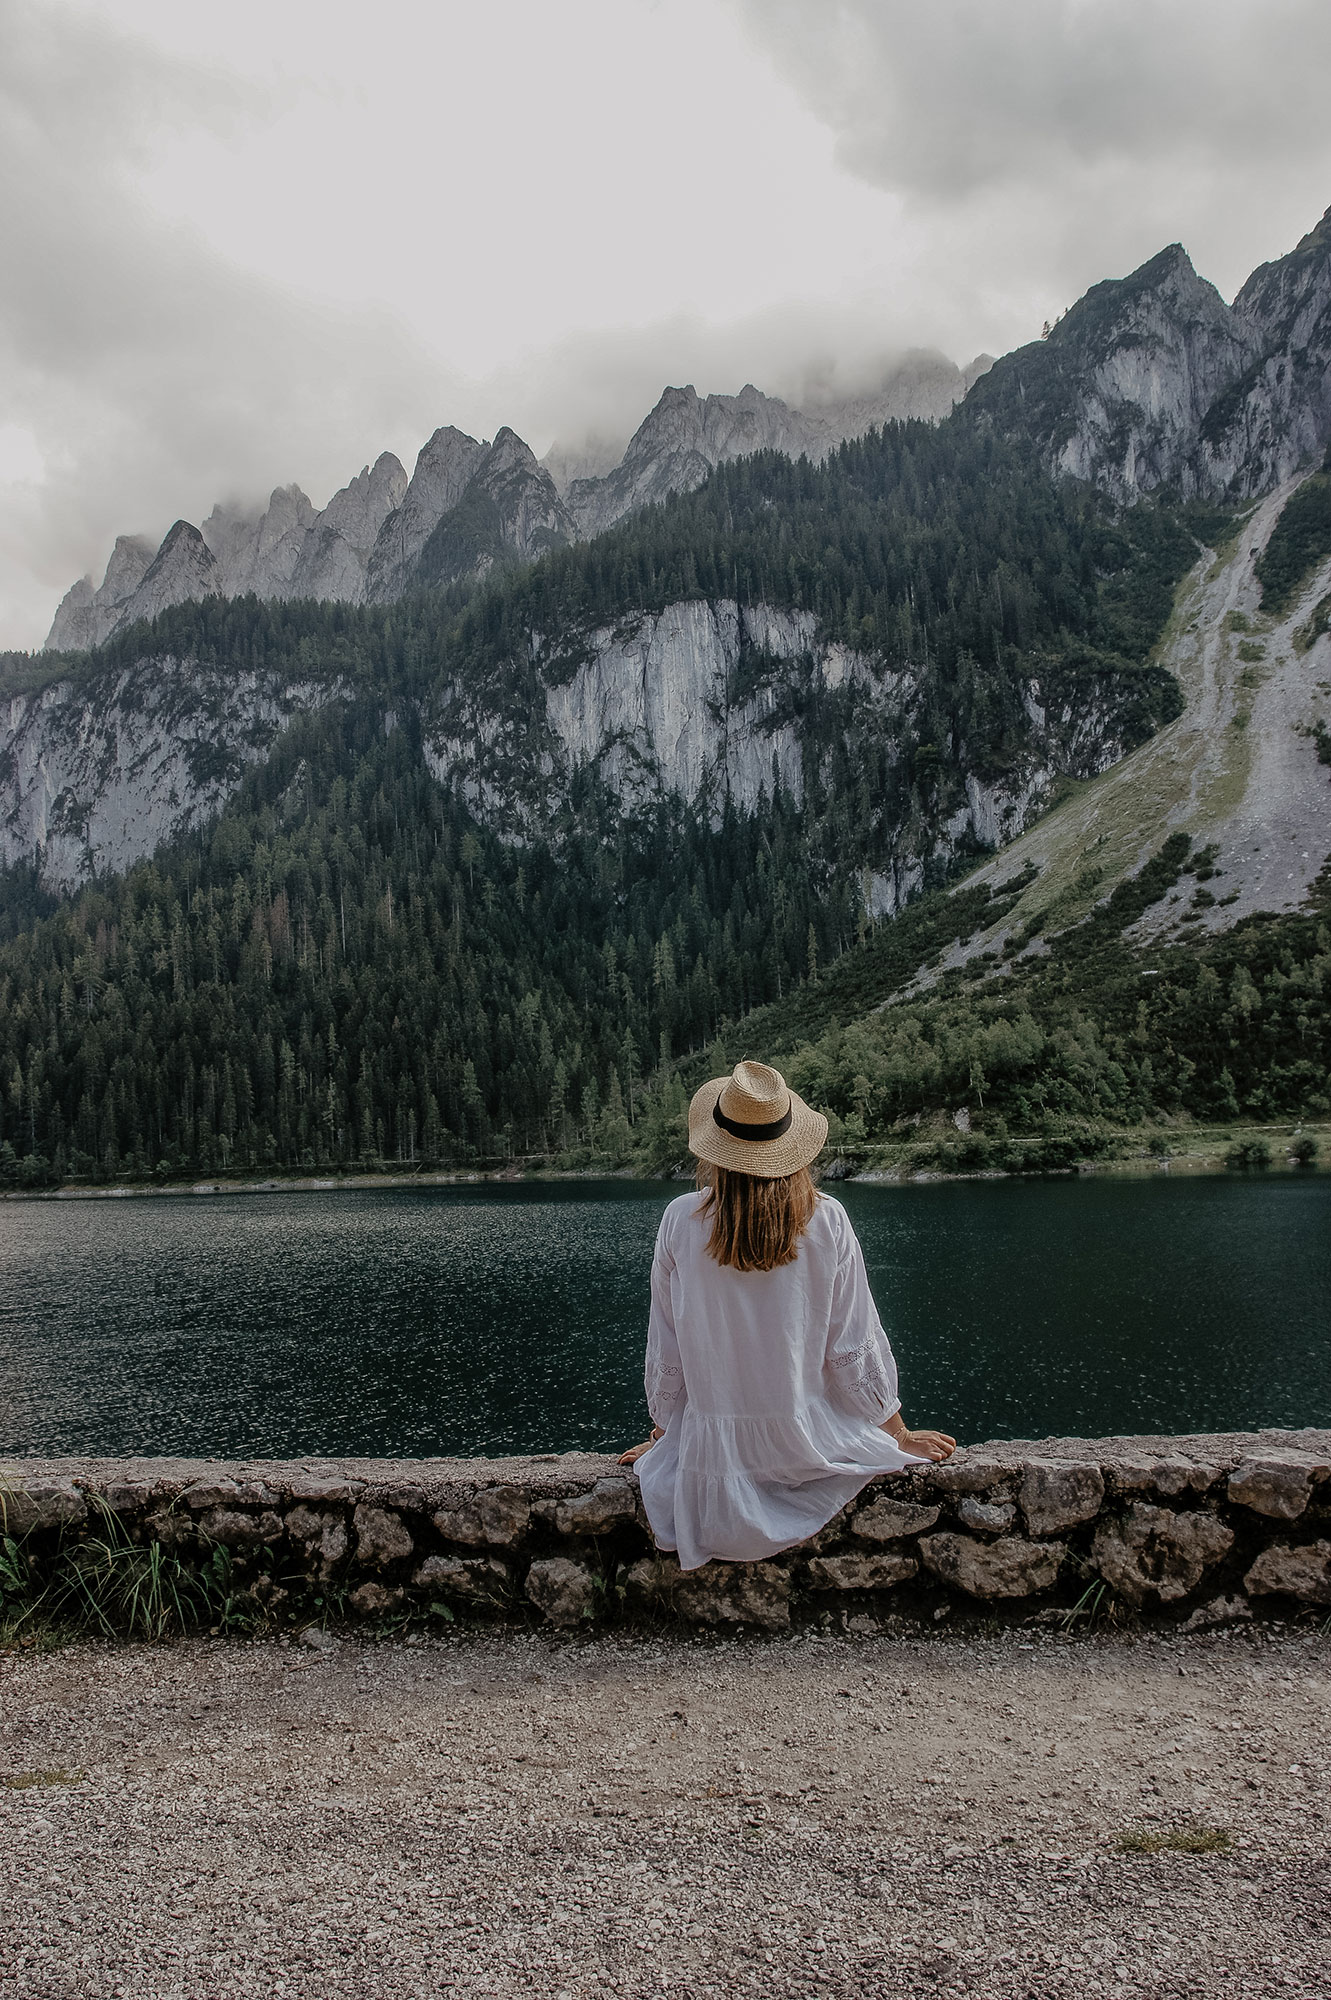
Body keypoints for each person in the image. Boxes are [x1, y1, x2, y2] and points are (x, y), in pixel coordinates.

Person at [619, 1059, 955, 1571]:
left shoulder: (680, 1221)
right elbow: (852, 1344)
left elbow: (668, 1346)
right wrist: (897, 1434)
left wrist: (664, 1437)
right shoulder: (829, 1219)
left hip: (716, 1456)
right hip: (807, 1446)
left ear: (718, 1148)